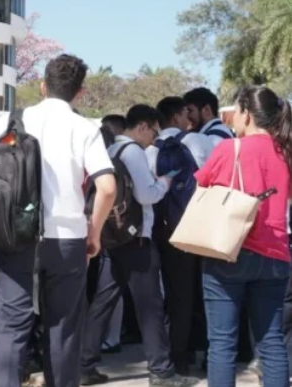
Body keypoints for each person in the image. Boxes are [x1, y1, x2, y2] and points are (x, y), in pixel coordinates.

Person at [0, 54, 118, 387]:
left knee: (11, 326)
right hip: (68, 240)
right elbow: (107, 187)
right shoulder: (84, 128)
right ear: (80, 93)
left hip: (17, 236)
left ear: (41, 85)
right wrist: (93, 232)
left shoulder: (12, 120)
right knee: (63, 329)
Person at [81, 105, 198, 387]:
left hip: (115, 237)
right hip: (137, 240)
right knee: (151, 307)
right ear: (143, 127)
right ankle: (161, 371)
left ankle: (84, 364)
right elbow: (147, 195)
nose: (154, 139)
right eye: (153, 131)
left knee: (103, 301)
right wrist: (166, 181)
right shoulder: (132, 151)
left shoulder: (110, 151)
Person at [195, 85, 291, 387]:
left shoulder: (229, 149)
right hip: (275, 253)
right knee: (272, 342)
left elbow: (200, 193)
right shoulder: (285, 150)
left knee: (222, 344)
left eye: (235, 111)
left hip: (229, 251)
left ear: (246, 114)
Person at [147, 96, 211, 374]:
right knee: (194, 293)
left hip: (158, 231)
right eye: (186, 112)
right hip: (194, 229)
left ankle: (168, 355)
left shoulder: (148, 150)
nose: (190, 117)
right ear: (176, 117)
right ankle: (194, 353)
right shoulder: (198, 142)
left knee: (165, 296)